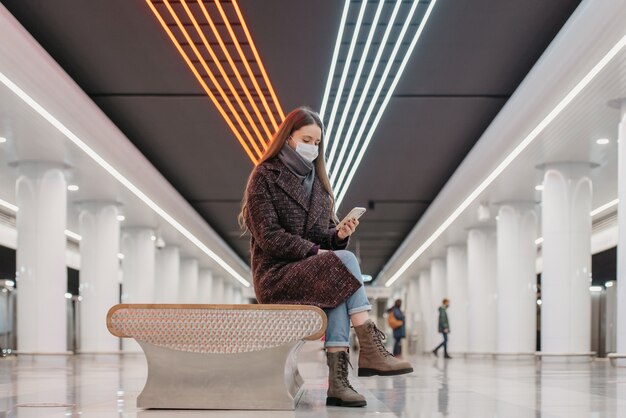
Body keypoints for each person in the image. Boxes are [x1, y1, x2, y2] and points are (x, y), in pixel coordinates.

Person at [239, 107, 413, 408]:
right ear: (288, 138)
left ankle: (339, 383)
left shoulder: (319, 186)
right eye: (306, 139)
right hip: (276, 275)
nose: (312, 147)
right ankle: (368, 348)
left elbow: (323, 238)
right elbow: (269, 236)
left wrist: (338, 235)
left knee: (337, 278)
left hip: (311, 271)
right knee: (341, 264)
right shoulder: (265, 176)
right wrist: (317, 251)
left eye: (317, 143)